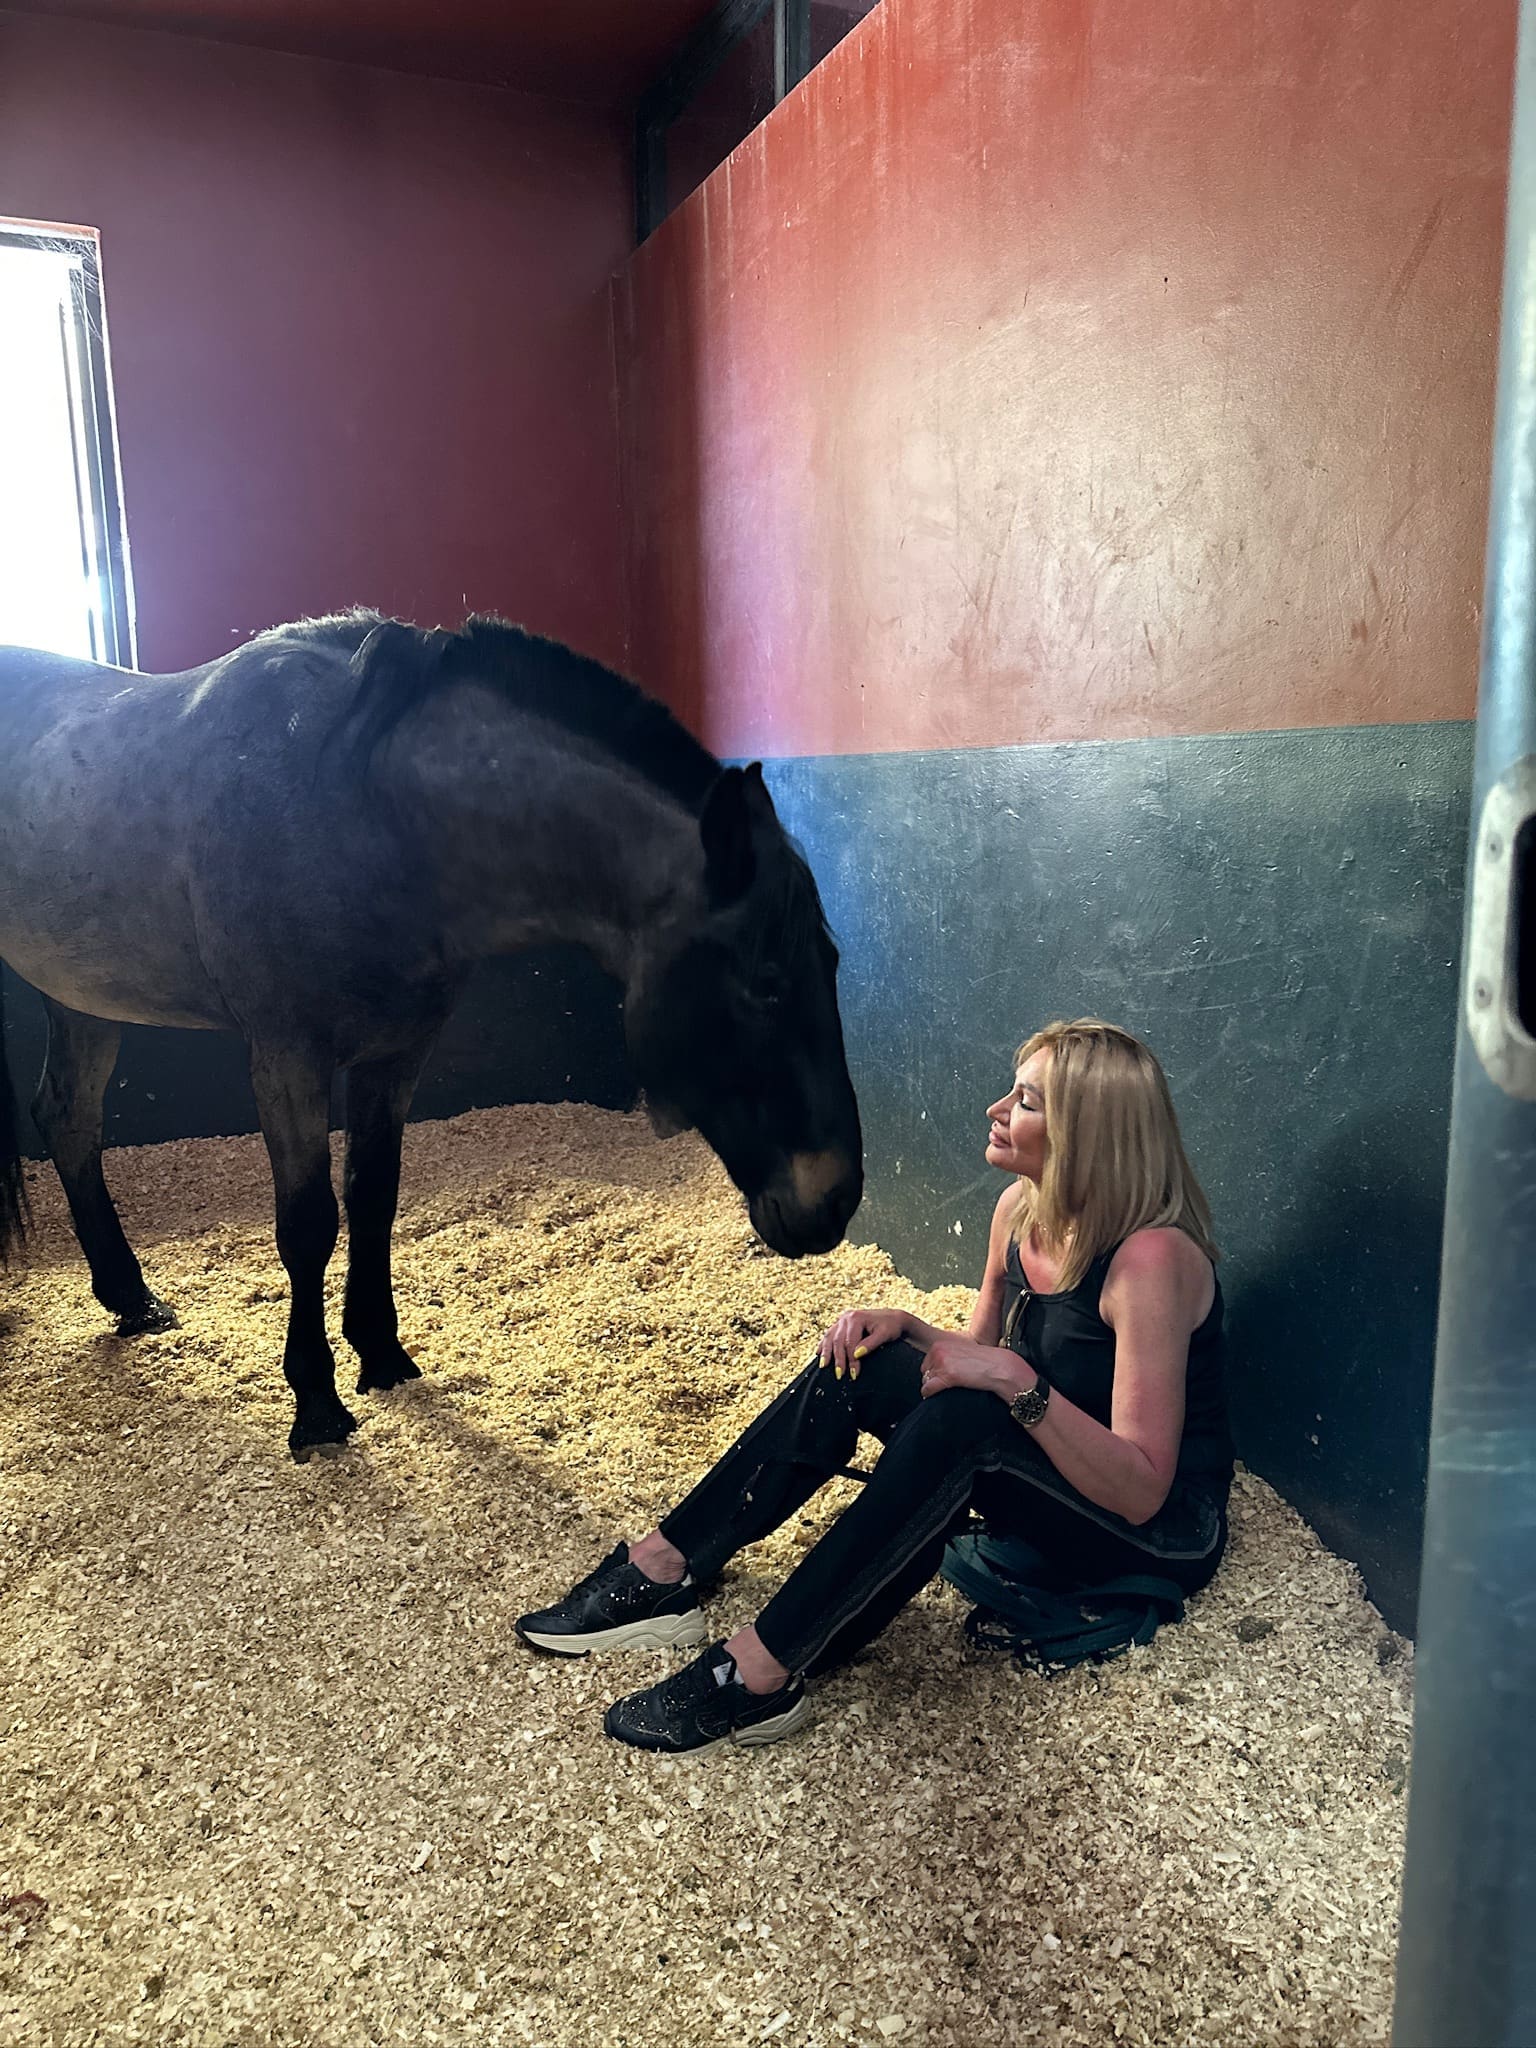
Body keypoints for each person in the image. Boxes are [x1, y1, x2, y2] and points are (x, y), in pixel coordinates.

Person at [515, 1018, 1233, 1755]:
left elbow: (1143, 1489)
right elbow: (973, 1359)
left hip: (1154, 1531)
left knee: (967, 1426)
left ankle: (761, 1673)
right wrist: (909, 1327)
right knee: (857, 1365)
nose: (995, 1109)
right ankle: (665, 1566)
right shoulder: (1022, 1208)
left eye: (1025, 1100)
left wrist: (1014, 1379)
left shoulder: (1150, 1261)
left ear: (1090, 1132)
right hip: (1047, 1462)